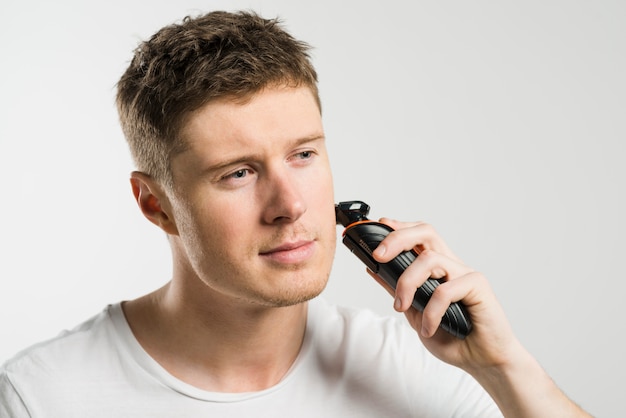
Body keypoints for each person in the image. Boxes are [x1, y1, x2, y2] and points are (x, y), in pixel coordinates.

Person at [0, 10, 591, 417]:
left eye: (303, 154)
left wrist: (505, 369)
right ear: (157, 205)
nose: (291, 205)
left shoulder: (421, 366)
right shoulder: (40, 397)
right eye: (238, 172)